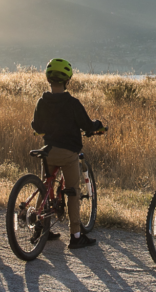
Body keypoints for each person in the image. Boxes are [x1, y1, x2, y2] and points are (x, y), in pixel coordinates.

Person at [31, 58, 106, 250]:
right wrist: (98, 126)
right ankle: (76, 235)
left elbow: (37, 126)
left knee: (45, 187)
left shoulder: (41, 101)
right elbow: (87, 125)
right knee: (73, 191)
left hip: (47, 152)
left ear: (49, 80)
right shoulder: (73, 103)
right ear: (67, 81)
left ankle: (40, 227)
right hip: (68, 153)